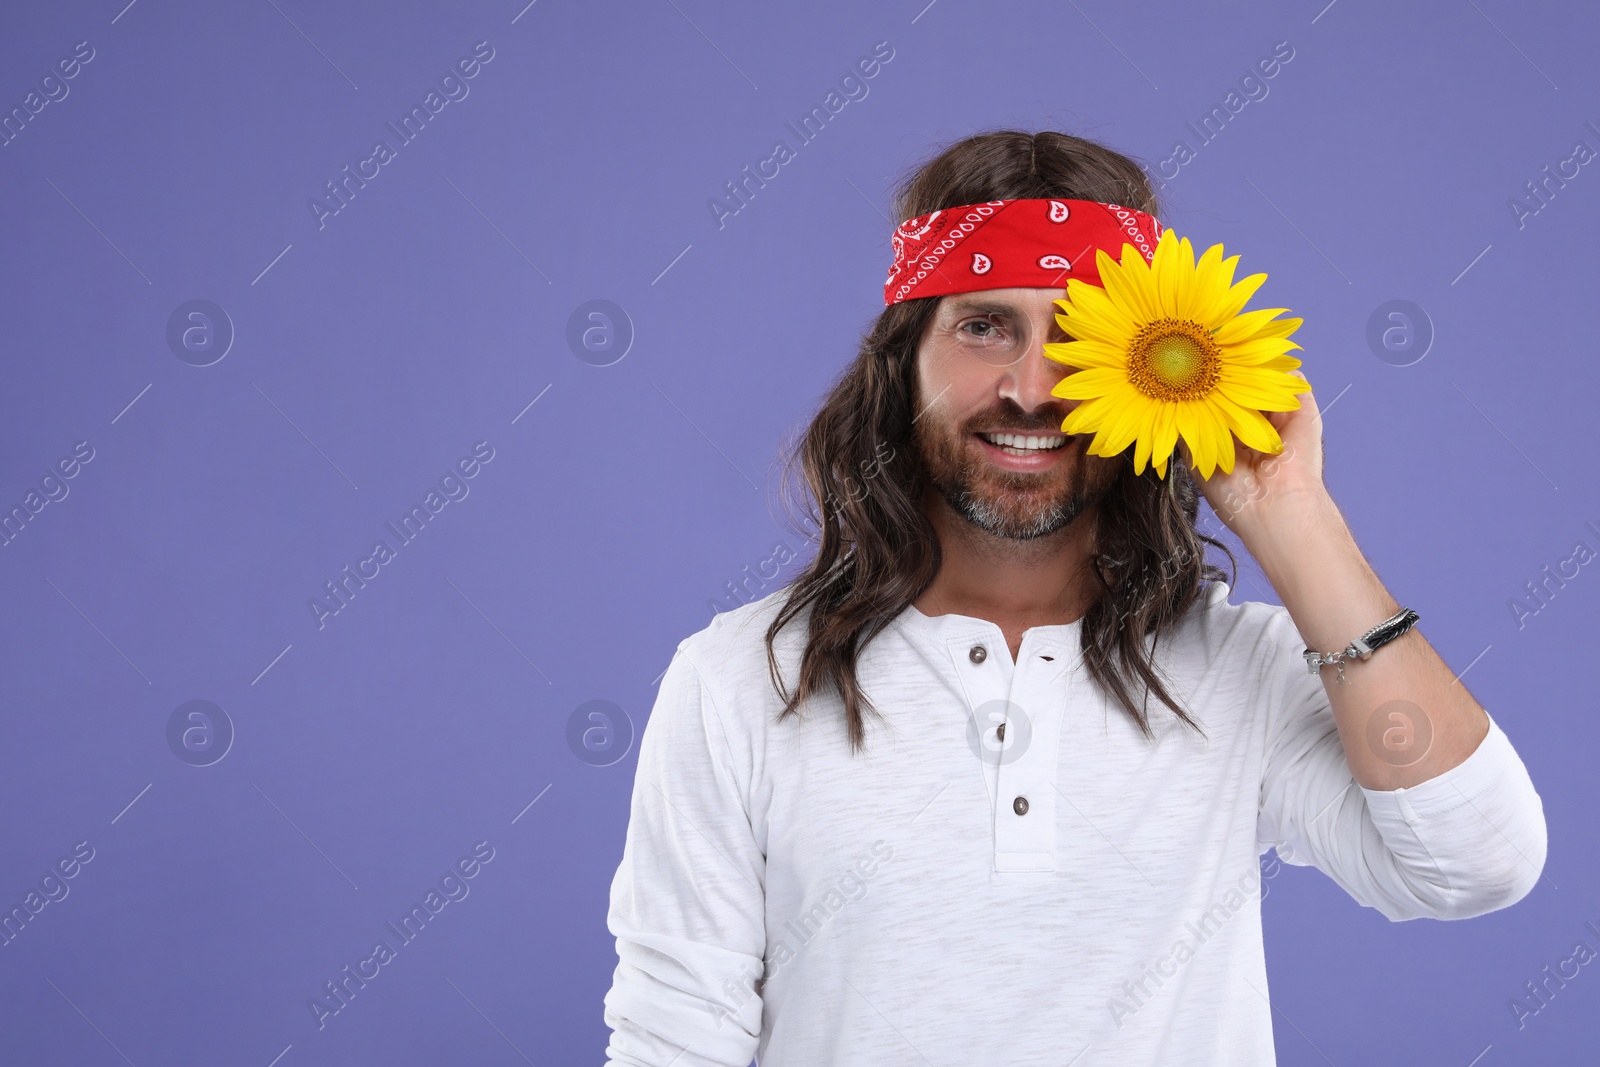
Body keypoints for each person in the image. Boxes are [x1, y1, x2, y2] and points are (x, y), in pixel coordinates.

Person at [601, 129, 1547, 1065]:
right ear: (903, 361)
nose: (1031, 386)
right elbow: (672, 1037)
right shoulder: (741, 677)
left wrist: (1291, 513)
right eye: (983, 325)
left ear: (1147, 374)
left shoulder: (1242, 672)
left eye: (1079, 336)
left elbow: (1477, 862)